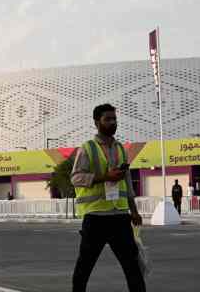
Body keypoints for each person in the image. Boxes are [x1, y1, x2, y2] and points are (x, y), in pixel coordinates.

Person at [71, 104, 145, 292]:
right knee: (84, 268)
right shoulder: (87, 148)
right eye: (108, 119)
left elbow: (126, 183)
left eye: (114, 119)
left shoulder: (120, 148)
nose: (113, 122)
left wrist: (134, 211)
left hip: (120, 217)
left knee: (133, 268)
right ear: (97, 123)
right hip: (96, 218)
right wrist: (104, 177)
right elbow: (76, 178)